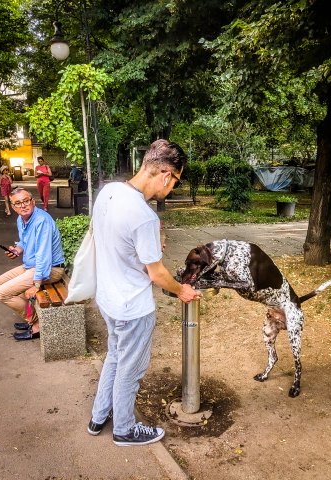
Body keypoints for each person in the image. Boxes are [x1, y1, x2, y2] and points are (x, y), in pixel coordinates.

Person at [87, 139, 202, 447]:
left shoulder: (108, 192)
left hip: (108, 299)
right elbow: (158, 274)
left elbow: (113, 239)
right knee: (131, 369)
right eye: (176, 181)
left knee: (114, 355)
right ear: (166, 174)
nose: (173, 188)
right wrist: (182, 291)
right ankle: (124, 429)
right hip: (132, 308)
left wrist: (151, 245)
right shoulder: (143, 215)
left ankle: (99, 417)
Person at [0, 188, 65, 340]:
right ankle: (32, 315)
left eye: (26, 201)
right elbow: (24, 242)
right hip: (32, 266)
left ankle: (36, 323)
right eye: (18, 203)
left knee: (2, 293)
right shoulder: (22, 219)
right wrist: (17, 250)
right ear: (13, 206)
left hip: (51, 269)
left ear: (32, 201)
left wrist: (37, 284)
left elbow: (44, 256)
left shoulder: (41, 221)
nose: (23, 205)